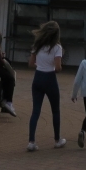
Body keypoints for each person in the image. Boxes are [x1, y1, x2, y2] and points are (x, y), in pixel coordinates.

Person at [26, 20, 66, 151]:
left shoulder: (37, 45)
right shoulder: (57, 47)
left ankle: (31, 141)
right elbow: (58, 68)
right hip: (50, 78)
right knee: (55, 110)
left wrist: (40, 66)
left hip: (37, 77)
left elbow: (31, 64)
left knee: (36, 110)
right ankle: (57, 139)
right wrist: (52, 68)